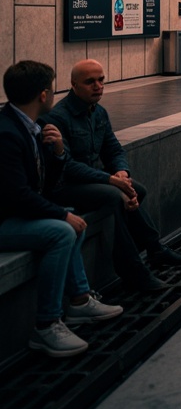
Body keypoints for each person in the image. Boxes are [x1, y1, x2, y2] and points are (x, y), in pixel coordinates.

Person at [0, 60, 124, 358]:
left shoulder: (37, 126)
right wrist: (60, 214)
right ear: (43, 95)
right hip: (5, 220)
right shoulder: (7, 134)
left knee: (70, 221)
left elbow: (47, 186)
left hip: (16, 213)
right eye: (52, 90)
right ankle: (46, 325)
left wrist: (57, 154)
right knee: (62, 230)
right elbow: (16, 195)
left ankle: (80, 301)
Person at [49, 59, 181, 291]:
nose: (98, 86)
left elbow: (114, 149)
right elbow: (66, 166)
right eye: (90, 82)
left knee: (137, 189)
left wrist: (121, 173)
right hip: (65, 186)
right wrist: (111, 181)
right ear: (73, 85)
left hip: (92, 179)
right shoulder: (58, 118)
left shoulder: (99, 112)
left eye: (101, 80)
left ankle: (154, 249)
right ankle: (133, 270)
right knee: (114, 196)